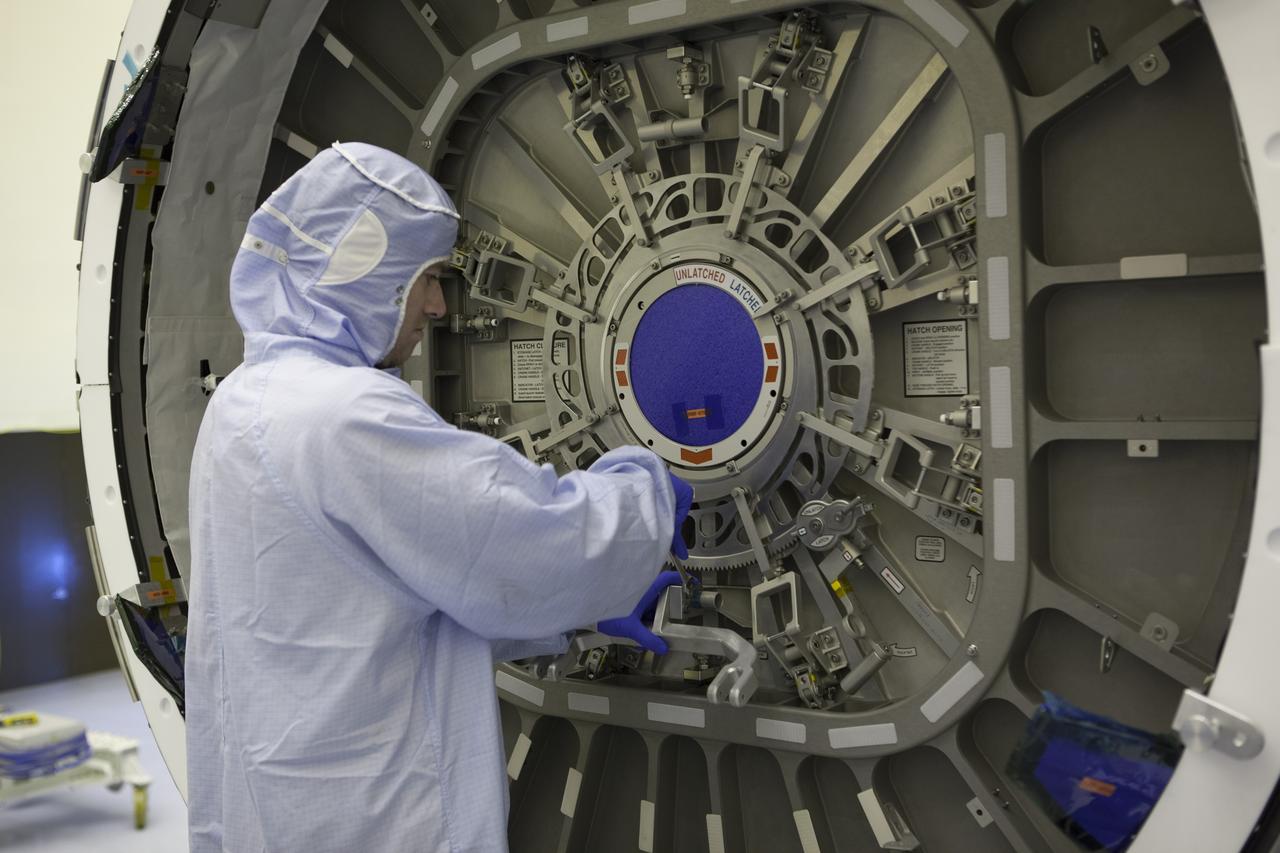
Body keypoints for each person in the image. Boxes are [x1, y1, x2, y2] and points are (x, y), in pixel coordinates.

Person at [186, 142, 693, 852]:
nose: (436, 304)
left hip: (280, 806)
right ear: (362, 274)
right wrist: (645, 494)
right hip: (382, 818)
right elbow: (523, 538)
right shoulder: (345, 416)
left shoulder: (242, 403)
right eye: (424, 278)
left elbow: (375, 606)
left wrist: (572, 621)